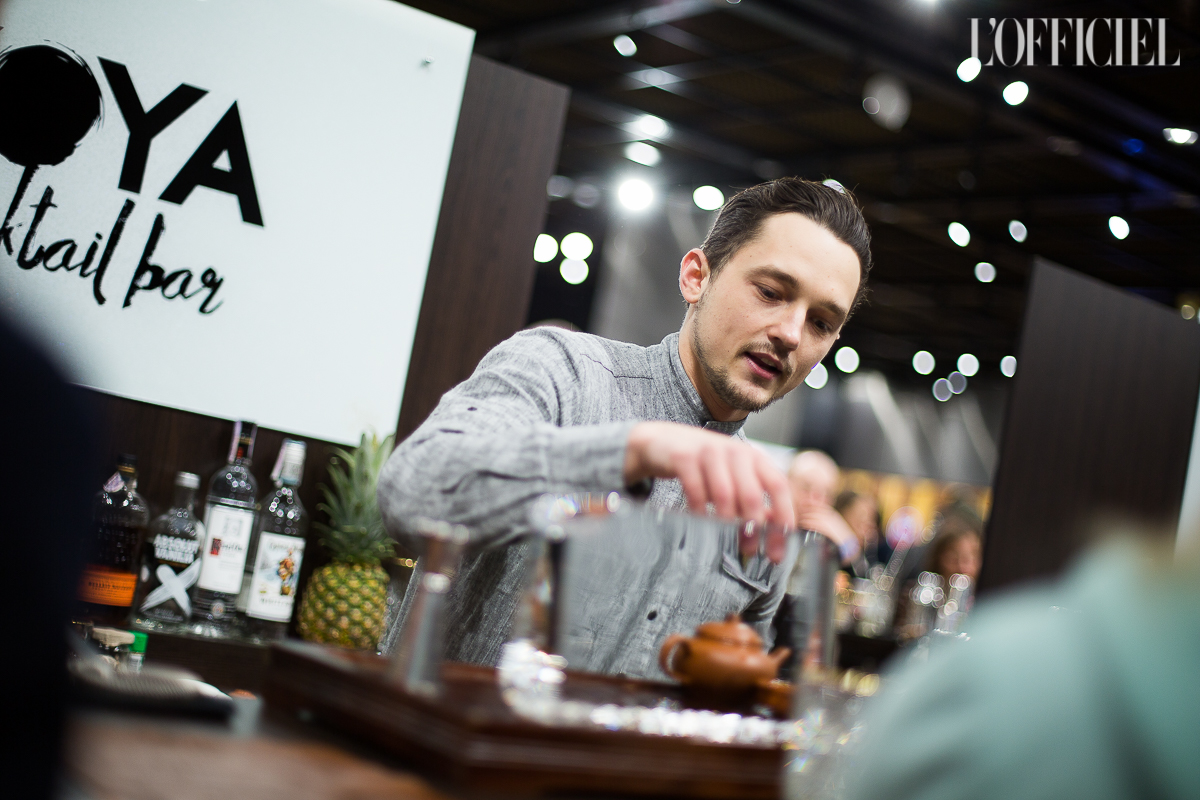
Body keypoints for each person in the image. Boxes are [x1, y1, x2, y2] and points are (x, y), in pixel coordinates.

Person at [377, 177, 872, 677]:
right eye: (770, 292)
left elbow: (736, 683)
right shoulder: (562, 372)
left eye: (821, 323)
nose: (791, 334)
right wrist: (631, 450)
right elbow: (411, 494)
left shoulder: (763, 506)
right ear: (696, 277)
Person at [845, 535, 1200, 800]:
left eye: (972, 557)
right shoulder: (984, 681)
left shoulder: (979, 682)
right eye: (957, 557)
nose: (965, 565)